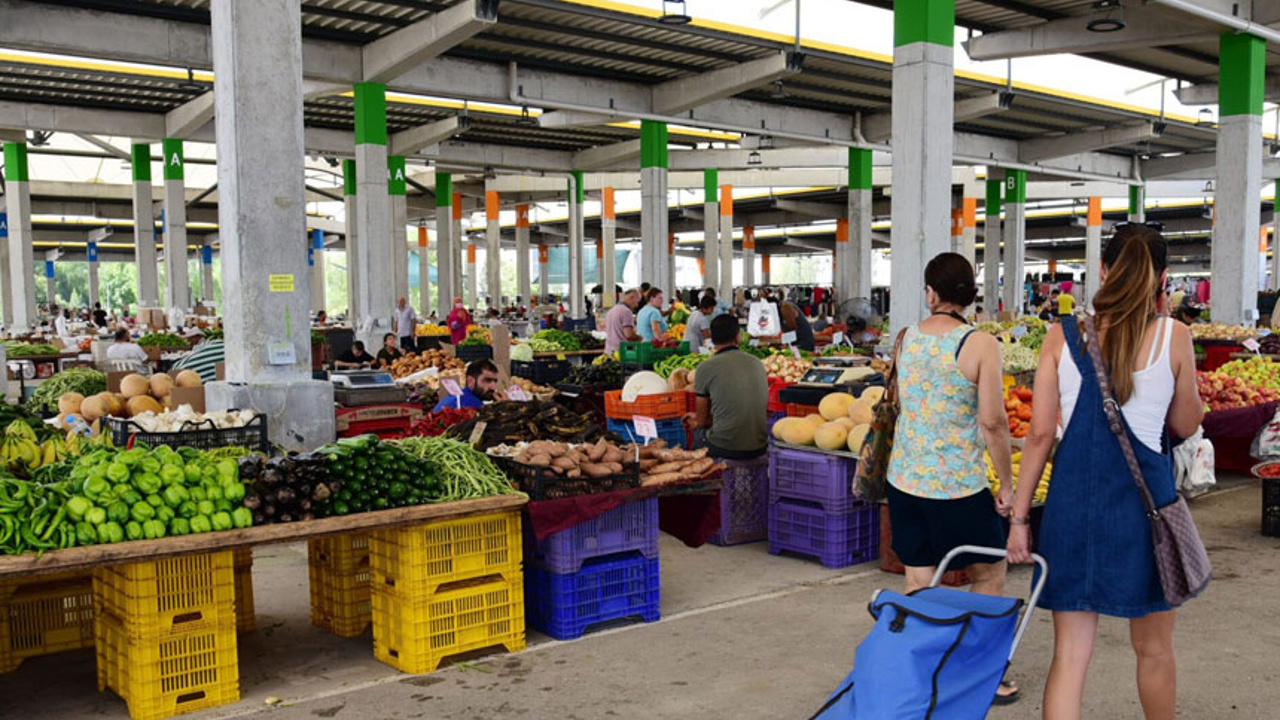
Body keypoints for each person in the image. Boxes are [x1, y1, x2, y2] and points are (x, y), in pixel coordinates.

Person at [1007, 226, 1203, 720]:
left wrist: (1019, 518)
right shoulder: (1174, 337)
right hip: (1145, 511)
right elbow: (1184, 423)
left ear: (1102, 271)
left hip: (1073, 508)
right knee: (1155, 650)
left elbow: (1038, 436)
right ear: (1162, 278)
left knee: (1070, 657)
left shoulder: (1062, 334)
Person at [885, 252, 1019, 703]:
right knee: (989, 573)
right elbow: (994, 422)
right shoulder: (979, 344)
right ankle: (988, 673)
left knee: (920, 580)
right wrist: (1006, 482)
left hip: (905, 480)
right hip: (957, 485)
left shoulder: (905, 339)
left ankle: (919, 671)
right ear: (971, 295)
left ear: (930, 293)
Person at [682, 314, 768, 459]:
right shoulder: (758, 363)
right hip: (760, 445)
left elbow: (702, 422)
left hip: (724, 446)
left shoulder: (705, 367)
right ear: (738, 337)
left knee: (696, 432)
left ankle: (705, 479)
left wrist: (695, 419)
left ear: (712, 340)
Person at [431, 359, 500, 411]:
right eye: (487, 381)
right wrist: (505, 406)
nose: (493, 387)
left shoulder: (458, 396)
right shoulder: (472, 403)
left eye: (495, 381)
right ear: (470, 381)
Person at [604, 289, 642, 354]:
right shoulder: (626, 311)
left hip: (609, 351)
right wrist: (639, 338)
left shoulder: (611, 311)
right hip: (621, 352)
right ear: (632, 297)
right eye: (637, 302)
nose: (637, 305)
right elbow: (629, 335)